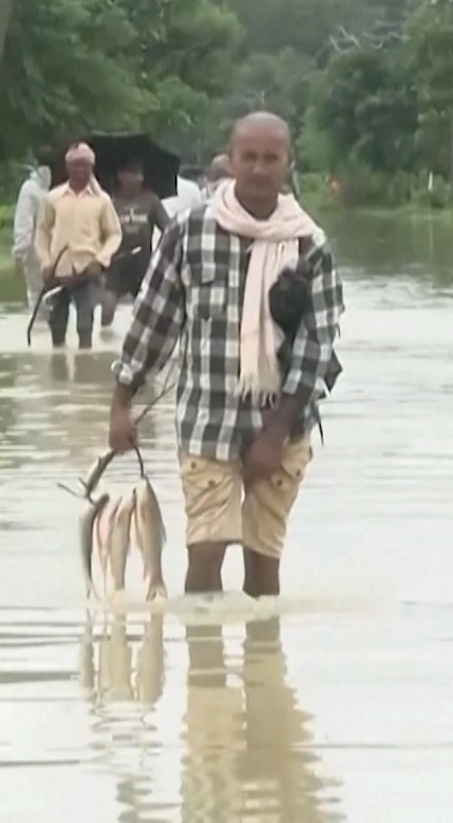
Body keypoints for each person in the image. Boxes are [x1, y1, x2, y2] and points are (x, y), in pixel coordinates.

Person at [108, 113, 345, 598]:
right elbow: (153, 322)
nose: (259, 169)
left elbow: (315, 349)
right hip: (207, 421)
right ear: (231, 161)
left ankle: (263, 665)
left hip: (285, 426)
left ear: (288, 165)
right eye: (249, 158)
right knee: (206, 552)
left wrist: (274, 436)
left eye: (271, 159)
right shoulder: (190, 233)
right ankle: (205, 668)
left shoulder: (309, 245)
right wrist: (121, 403)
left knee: (263, 559)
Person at [33, 142, 121, 350]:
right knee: (57, 325)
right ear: (68, 168)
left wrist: (100, 260)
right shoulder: (53, 198)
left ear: (92, 167)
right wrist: (46, 263)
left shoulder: (102, 201)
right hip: (58, 272)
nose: (81, 170)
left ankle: (85, 365)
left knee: (85, 325)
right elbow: (42, 233)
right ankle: (59, 370)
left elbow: (114, 234)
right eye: (76, 165)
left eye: (86, 165)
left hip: (87, 273)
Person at [100, 158, 172, 330]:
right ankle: (103, 339)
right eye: (132, 174)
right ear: (121, 177)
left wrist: (161, 251)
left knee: (147, 312)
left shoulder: (151, 200)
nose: (137, 178)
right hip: (116, 262)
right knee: (107, 309)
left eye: (139, 174)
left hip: (143, 262)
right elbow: (98, 231)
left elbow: (169, 228)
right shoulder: (110, 201)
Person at [12, 159, 52, 315]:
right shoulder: (64, 185)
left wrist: (19, 254)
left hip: (38, 253)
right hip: (53, 252)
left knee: (37, 298)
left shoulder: (29, 190)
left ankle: (40, 335)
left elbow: (24, 221)